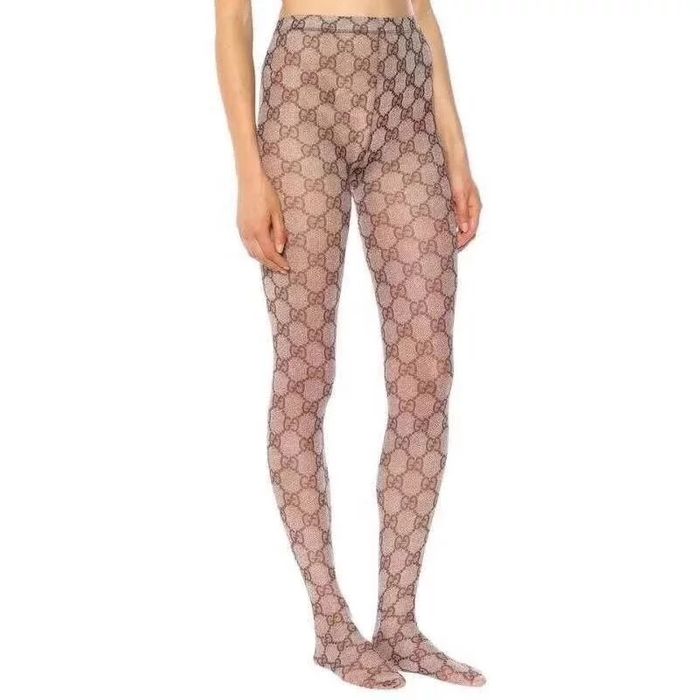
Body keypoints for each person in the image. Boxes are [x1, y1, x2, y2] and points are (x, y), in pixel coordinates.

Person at [215, 0, 483, 689]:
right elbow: (233, 18)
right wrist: (249, 173)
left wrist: (456, 149)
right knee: (305, 371)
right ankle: (332, 626)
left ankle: (399, 622)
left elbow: (423, 9)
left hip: (406, 89)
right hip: (305, 91)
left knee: (427, 372)